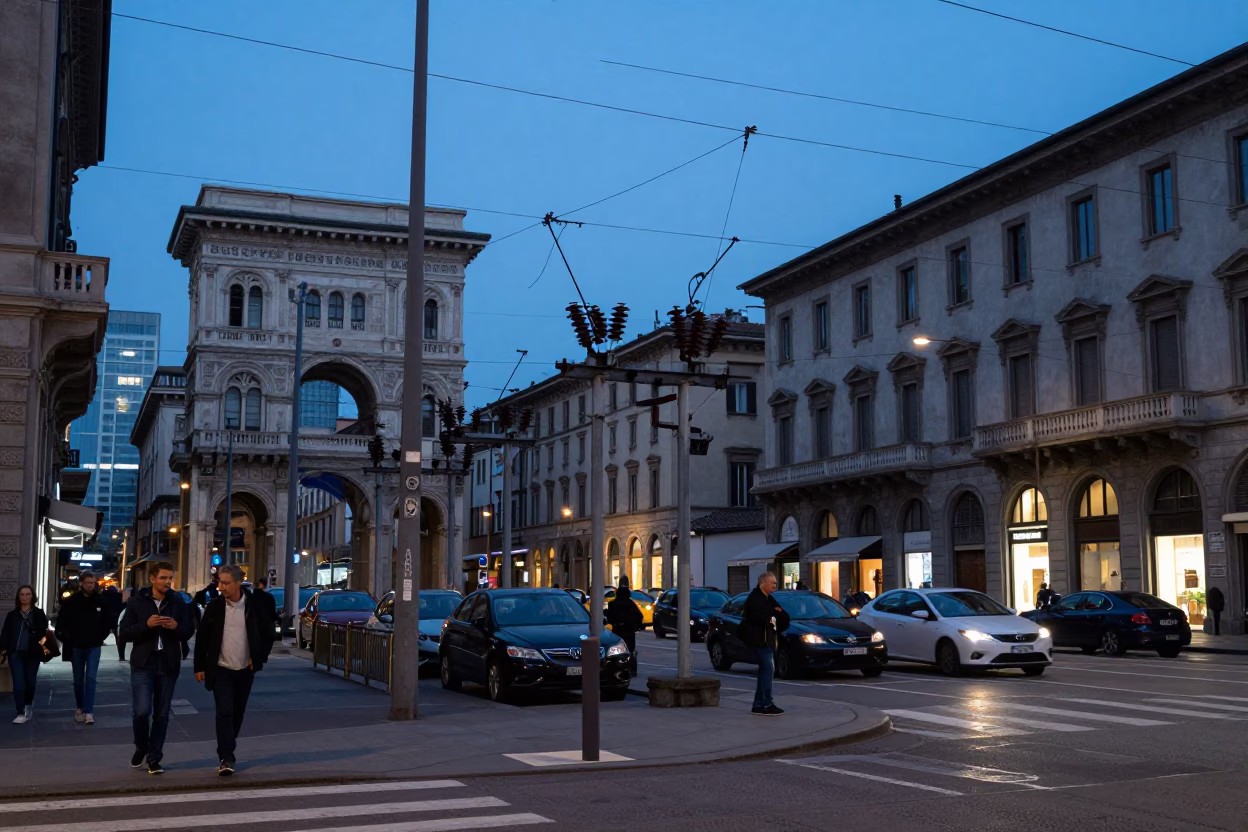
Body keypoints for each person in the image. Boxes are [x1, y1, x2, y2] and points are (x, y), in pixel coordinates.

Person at [195, 564, 275, 776]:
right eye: (219, 582)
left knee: (237, 712)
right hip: (220, 668)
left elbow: (268, 634)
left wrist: (257, 658)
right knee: (224, 711)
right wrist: (199, 667)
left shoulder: (254, 605)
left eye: (226, 583)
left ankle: (228, 747)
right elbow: (202, 639)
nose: (221, 587)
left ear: (239, 582)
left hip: (245, 669)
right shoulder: (214, 607)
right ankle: (226, 757)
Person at [120, 561, 193, 774]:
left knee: (162, 714)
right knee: (142, 711)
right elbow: (124, 633)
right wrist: (147, 625)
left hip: (168, 663)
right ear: (152, 579)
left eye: (170, 578)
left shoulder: (178, 602)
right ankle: (141, 746)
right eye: (163, 578)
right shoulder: (137, 602)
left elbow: (188, 631)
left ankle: (154, 758)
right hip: (144, 663)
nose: (168, 582)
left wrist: (176, 627)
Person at [55, 571, 112, 725]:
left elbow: (108, 622)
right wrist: (68, 638)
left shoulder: (101, 601)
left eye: (93, 583)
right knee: (78, 680)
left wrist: (100, 637)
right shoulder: (72, 601)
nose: (90, 585)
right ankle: (79, 707)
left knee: (91, 679)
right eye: (88, 582)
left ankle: (88, 711)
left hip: (94, 645)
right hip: (76, 646)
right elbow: (61, 623)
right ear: (81, 583)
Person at [739, 572, 790, 716]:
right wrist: (773, 612)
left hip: (767, 640)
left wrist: (774, 613)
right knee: (768, 670)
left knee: (766, 671)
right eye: (772, 583)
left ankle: (759, 705)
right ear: (763, 583)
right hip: (759, 640)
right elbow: (759, 617)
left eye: (775, 582)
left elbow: (784, 616)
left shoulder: (769, 599)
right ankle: (766, 703)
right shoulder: (755, 598)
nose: (775, 585)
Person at [0, 585, 49, 724]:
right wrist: (4, 648)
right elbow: (5, 633)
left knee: (31, 682)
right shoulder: (12, 615)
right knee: (18, 684)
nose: (25, 597)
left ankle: (28, 704)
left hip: (32, 654)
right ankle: (20, 711)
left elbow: (43, 633)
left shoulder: (38, 614)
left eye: (28, 594)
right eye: (22, 594)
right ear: (18, 597)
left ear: (32, 596)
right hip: (16, 653)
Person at [605, 577, 642, 676]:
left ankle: (618, 668)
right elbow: (639, 616)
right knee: (630, 650)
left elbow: (609, 617)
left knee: (617, 651)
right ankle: (632, 669)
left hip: (618, 631)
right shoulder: (631, 604)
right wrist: (637, 627)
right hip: (629, 631)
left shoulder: (613, 603)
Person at [101, 584, 125, 661]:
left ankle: (93, 652)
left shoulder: (103, 596)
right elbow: (121, 606)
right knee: (119, 638)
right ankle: (121, 656)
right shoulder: (118, 596)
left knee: (100, 636)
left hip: (106, 619)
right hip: (116, 618)